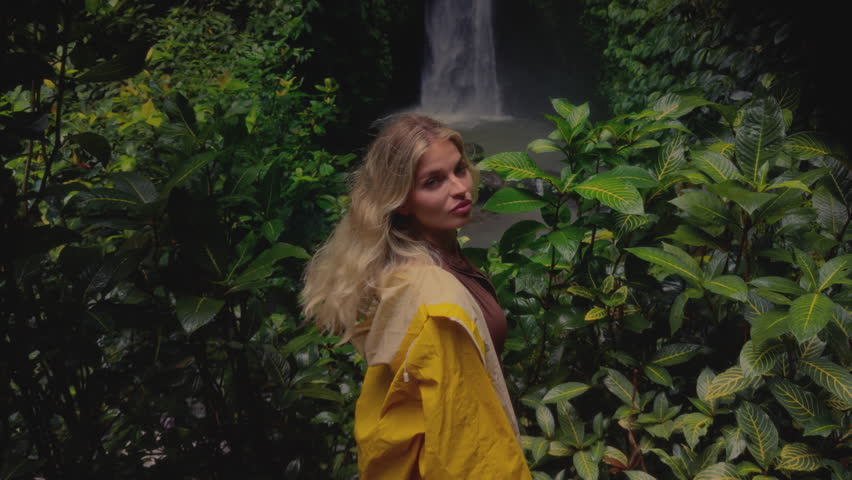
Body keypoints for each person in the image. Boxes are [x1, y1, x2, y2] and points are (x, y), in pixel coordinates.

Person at [301, 114, 531, 479]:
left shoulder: (438, 260)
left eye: (459, 170)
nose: (460, 188)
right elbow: (464, 446)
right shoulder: (433, 298)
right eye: (433, 181)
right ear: (402, 200)